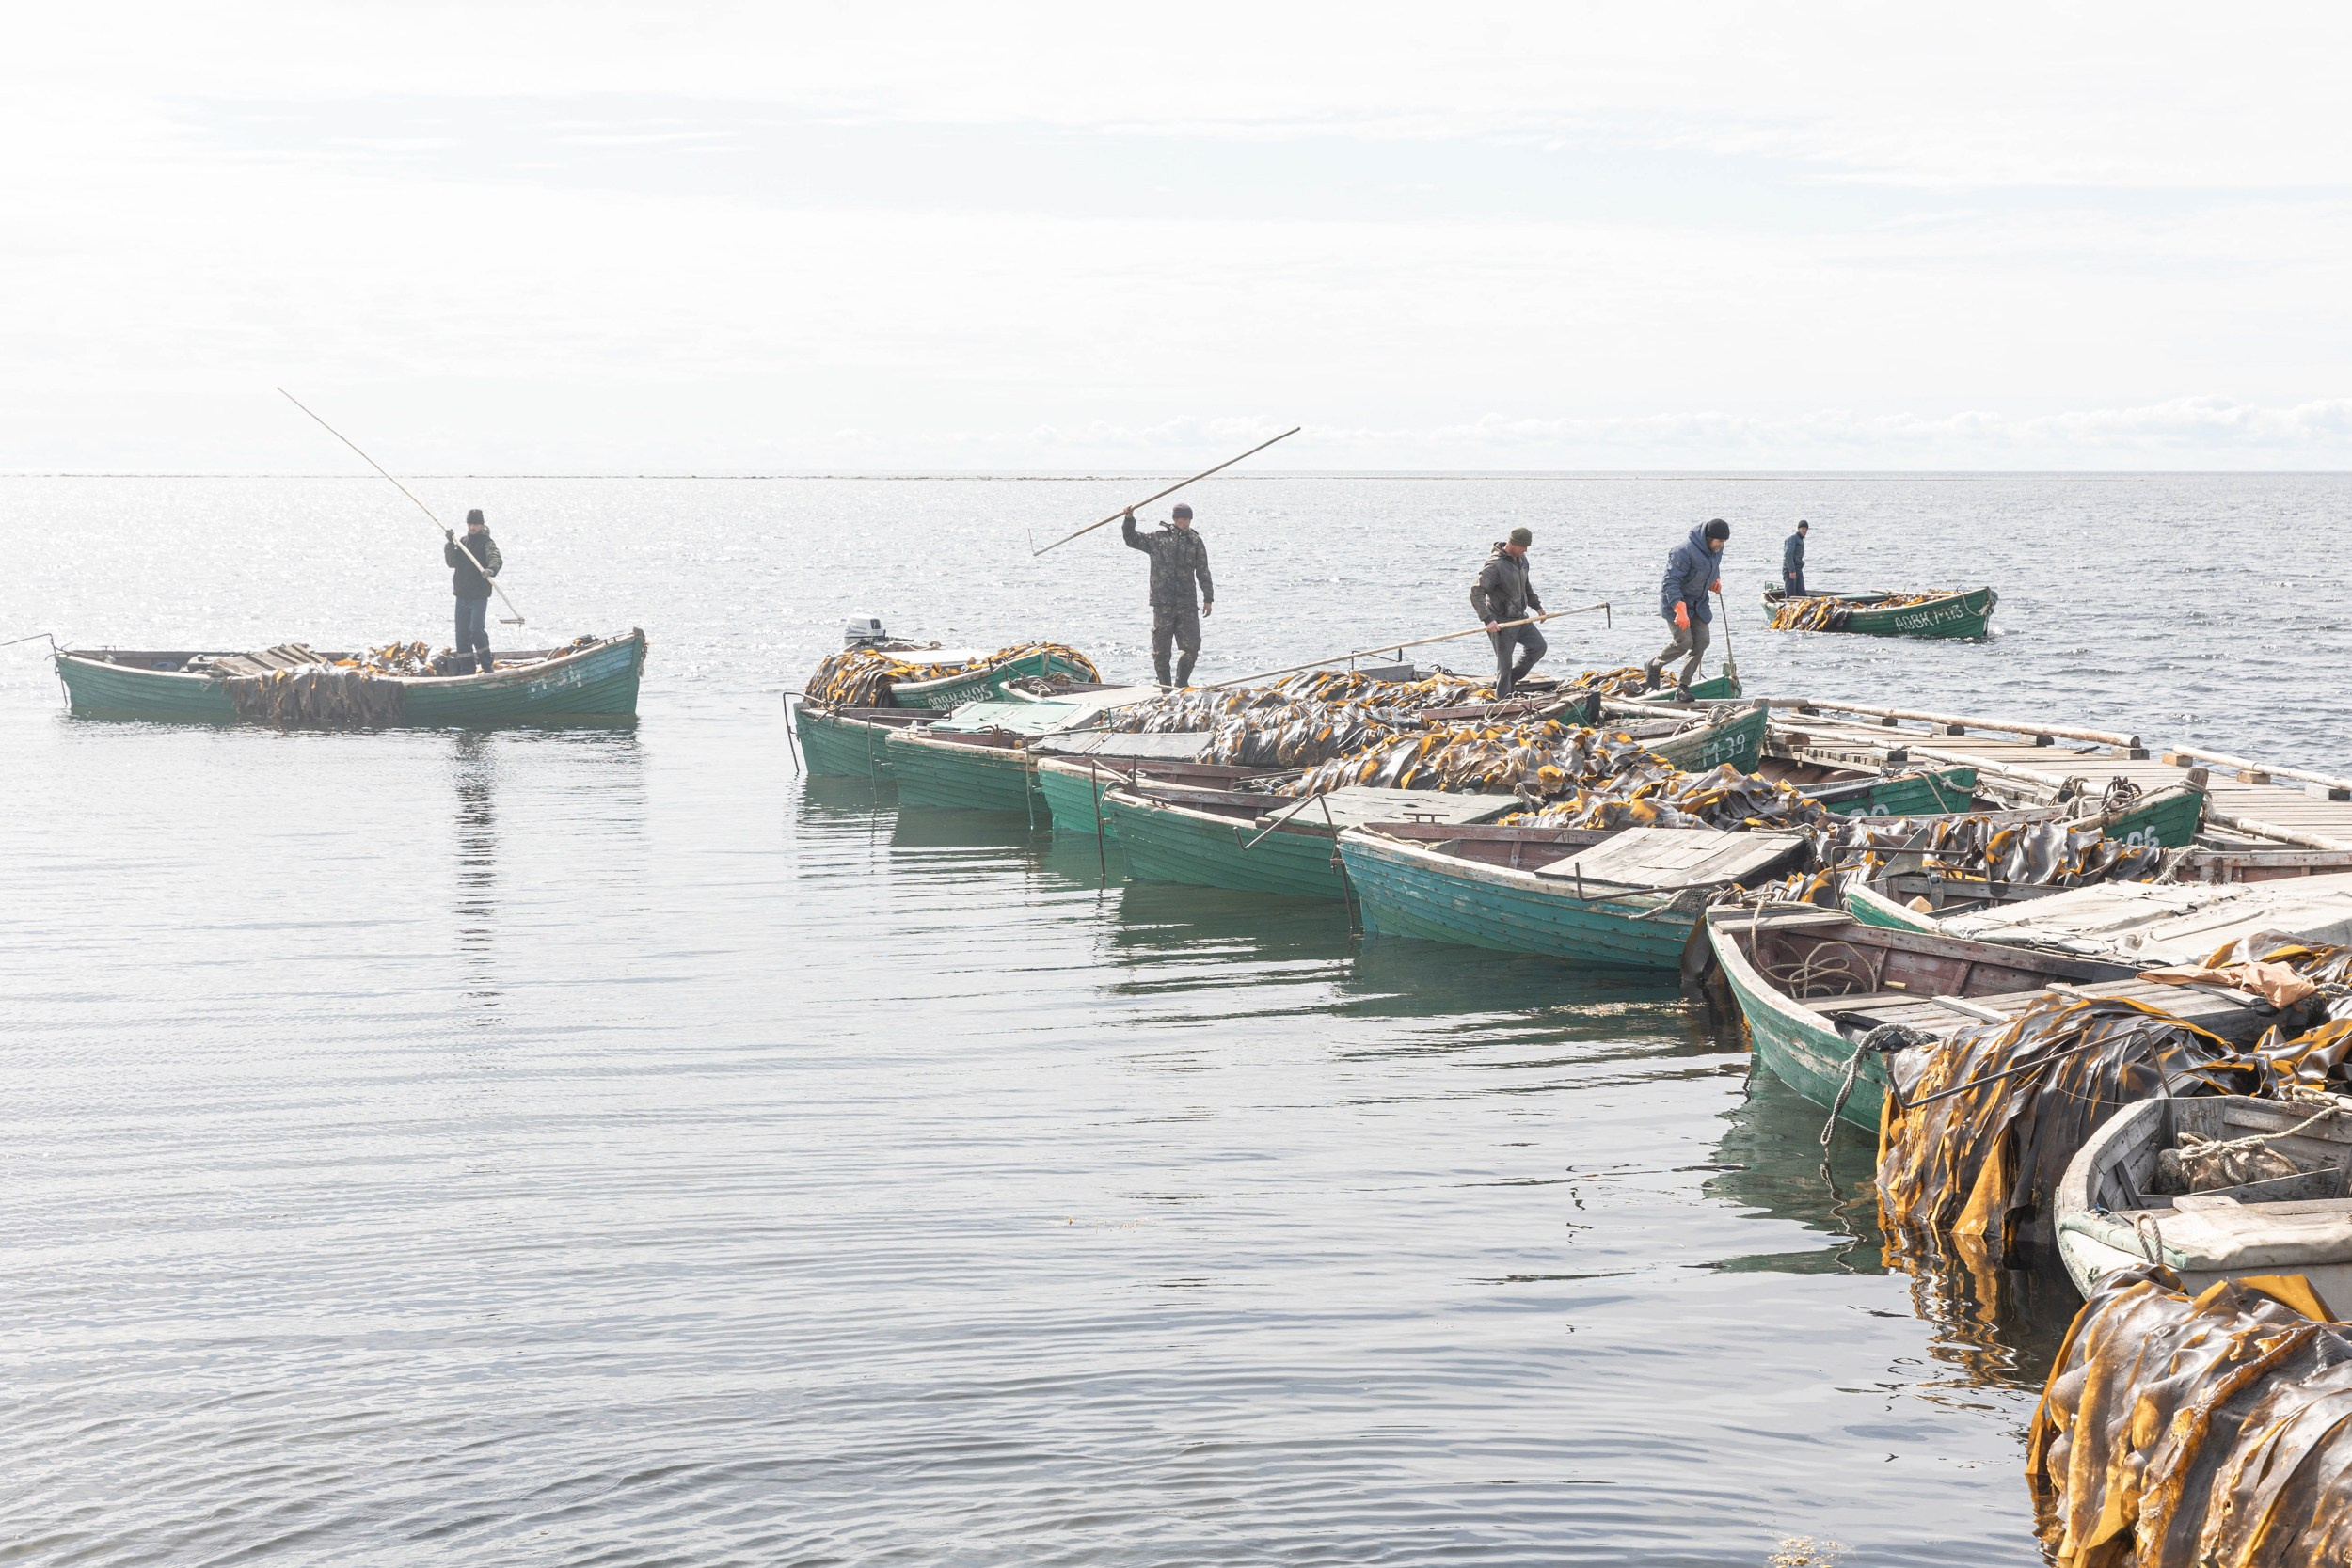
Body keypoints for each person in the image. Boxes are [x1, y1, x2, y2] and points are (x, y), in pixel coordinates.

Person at [1122, 501, 1214, 688]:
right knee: (1161, 651)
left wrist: (1208, 598)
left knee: (1192, 647)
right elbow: (1131, 539)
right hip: (1162, 603)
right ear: (1174, 519)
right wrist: (1129, 519)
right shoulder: (1158, 539)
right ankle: (1165, 688)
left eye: (1187, 519)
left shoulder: (1195, 542)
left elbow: (1203, 571)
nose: (1184, 522)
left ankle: (1181, 684)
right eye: (1181, 518)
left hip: (1187, 603)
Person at [1645, 518, 1729, 699]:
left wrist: (1715, 581)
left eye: (1724, 542)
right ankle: (1653, 665)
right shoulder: (1682, 552)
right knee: (1685, 642)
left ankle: (1683, 687)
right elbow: (1670, 583)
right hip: (1676, 604)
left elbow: (1713, 568)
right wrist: (1679, 609)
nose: (1722, 546)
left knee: (1703, 641)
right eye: (1720, 541)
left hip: (1699, 605)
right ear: (1708, 538)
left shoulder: (1717, 550)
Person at [1470, 527, 1547, 698]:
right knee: (1504, 664)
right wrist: (1488, 620)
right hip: (1501, 622)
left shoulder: (1522, 559)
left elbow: (1526, 586)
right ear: (1513, 544)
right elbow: (1476, 591)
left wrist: (1537, 606)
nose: (1526, 550)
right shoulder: (1496, 565)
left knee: (1538, 647)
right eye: (1524, 546)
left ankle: (1510, 679)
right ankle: (1503, 700)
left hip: (1520, 618)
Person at [444, 508, 503, 674]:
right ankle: (467, 668)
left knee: (476, 630)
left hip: (478, 596)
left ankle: (486, 665)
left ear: (481, 524)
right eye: (470, 523)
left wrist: (491, 570)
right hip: (462, 595)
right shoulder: (462, 542)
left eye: (476, 524)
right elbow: (451, 562)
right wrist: (450, 543)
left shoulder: (487, 542)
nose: (472, 527)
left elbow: (496, 558)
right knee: (462, 633)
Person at [1782, 519, 1809, 596]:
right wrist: (1792, 570)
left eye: (1806, 529)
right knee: (1791, 595)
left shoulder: (1800, 540)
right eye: (1803, 528)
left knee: (1801, 594)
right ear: (1798, 528)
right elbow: (1788, 555)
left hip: (1798, 569)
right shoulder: (1792, 539)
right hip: (1790, 570)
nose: (1804, 530)